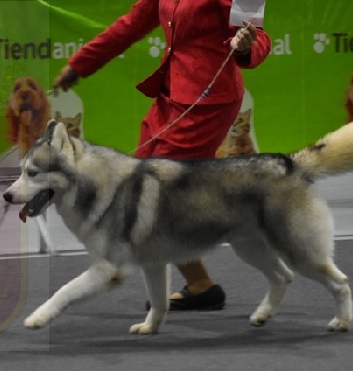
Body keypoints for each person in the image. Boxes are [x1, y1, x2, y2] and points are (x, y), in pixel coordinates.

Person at [54, 0, 272, 310]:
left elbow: (258, 35)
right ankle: (200, 284)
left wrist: (246, 47)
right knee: (145, 188)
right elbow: (131, 24)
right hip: (170, 96)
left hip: (206, 104)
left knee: (156, 195)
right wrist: (80, 64)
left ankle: (200, 269)